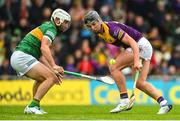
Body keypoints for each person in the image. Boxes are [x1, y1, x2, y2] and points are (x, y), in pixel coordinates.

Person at [83, 10, 172, 114]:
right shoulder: (100, 33)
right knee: (140, 83)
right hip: (143, 47)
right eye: (90, 26)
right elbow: (124, 44)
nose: (93, 28)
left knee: (114, 67)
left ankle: (124, 100)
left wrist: (136, 61)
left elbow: (133, 43)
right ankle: (164, 103)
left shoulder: (112, 29)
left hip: (139, 46)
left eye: (94, 24)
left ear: (99, 20)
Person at [10, 9, 71, 114]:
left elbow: (41, 56)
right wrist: (54, 65)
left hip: (20, 56)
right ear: (57, 20)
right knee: (51, 77)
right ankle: (32, 106)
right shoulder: (51, 29)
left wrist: (52, 69)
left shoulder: (47, 26)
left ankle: (34, 106)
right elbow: (44, 48)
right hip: (23, 56)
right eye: (65, 22)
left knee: (45, 78)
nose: (66, 25)